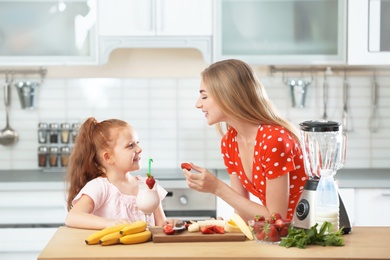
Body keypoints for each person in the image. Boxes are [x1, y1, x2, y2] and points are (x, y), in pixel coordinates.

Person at [182, 59, 308, 222]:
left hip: (305, 235)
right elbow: (242, 212)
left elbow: (277, 219)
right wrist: (229, 226)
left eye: (204, 97)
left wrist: (217, 188)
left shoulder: (274, 140)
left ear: (227, 97)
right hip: (277, 239)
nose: (198, 104)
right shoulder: (229, 142)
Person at [65, 117, 168, 229]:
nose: (139, 149)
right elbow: (73, 217)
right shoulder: (100, 187)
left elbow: (161, 224)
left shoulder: (147, 186)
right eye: (130, 145)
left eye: (137, 143)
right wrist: (110, 224)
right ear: (108, 157)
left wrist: (169, 225)